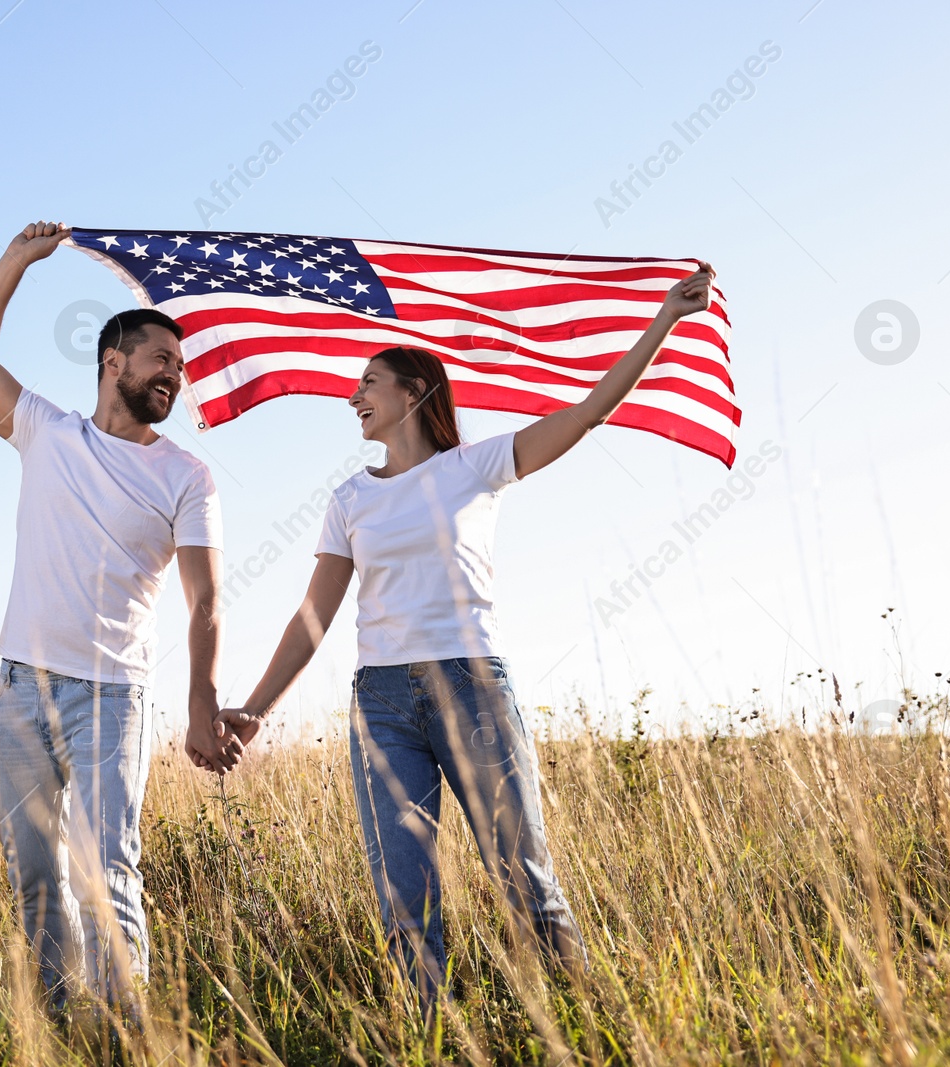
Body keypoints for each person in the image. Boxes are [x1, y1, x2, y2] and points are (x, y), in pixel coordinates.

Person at [220, 264, 717, 1005]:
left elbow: (587, 415)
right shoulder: (349, 497)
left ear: (414, 392)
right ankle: (432, 1036)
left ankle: (582, 1024)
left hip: (470, 684)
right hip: (383, 702)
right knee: (405, 898)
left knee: (525, 879)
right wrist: (255, 710)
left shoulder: (477, 467)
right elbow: (313, 615)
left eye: (369, 383)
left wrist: (666, 320)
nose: (354, 396)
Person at [0, 220, 242, 1012]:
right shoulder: (48, 431)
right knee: (35, 876)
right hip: (20, 693)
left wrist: (202, 703)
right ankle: (60, 1024)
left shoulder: (187, 476)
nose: (173, 376)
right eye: (160, 360)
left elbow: (206, 598)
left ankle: (125, 1030)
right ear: (113, 361)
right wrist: (15, 259)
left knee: (105, 867)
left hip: (113, 696)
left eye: (178, 367)